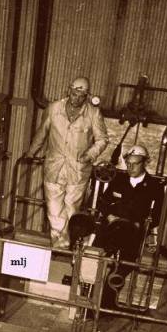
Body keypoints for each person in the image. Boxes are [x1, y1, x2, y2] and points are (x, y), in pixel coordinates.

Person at [25, 76, 109, 248]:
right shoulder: (54, 108)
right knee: (54, 211)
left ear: (87, 96)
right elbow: (42, 132)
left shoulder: (93, 113)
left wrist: (88, 155)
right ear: (68, 90)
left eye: (81, 96)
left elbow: (102, 139)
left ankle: (74, 246)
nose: (77, 99)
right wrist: (31, 152)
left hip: (78, 172)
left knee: (72, 210)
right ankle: (60, 246)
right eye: (74, 94)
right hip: (54, 168)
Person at [91, 144, 164, 309]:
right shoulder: (118, 180)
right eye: (128, 163)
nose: (130, 167)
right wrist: (109, 215)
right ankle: (87, 302)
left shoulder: (154, 187)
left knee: (119, 272)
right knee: (92, 263)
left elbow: (157, 216)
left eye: (135, 163)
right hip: (109, 229)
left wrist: (139, 224)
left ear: (144, 163)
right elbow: (103, 201)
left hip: (132, 235)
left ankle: (106, 306)